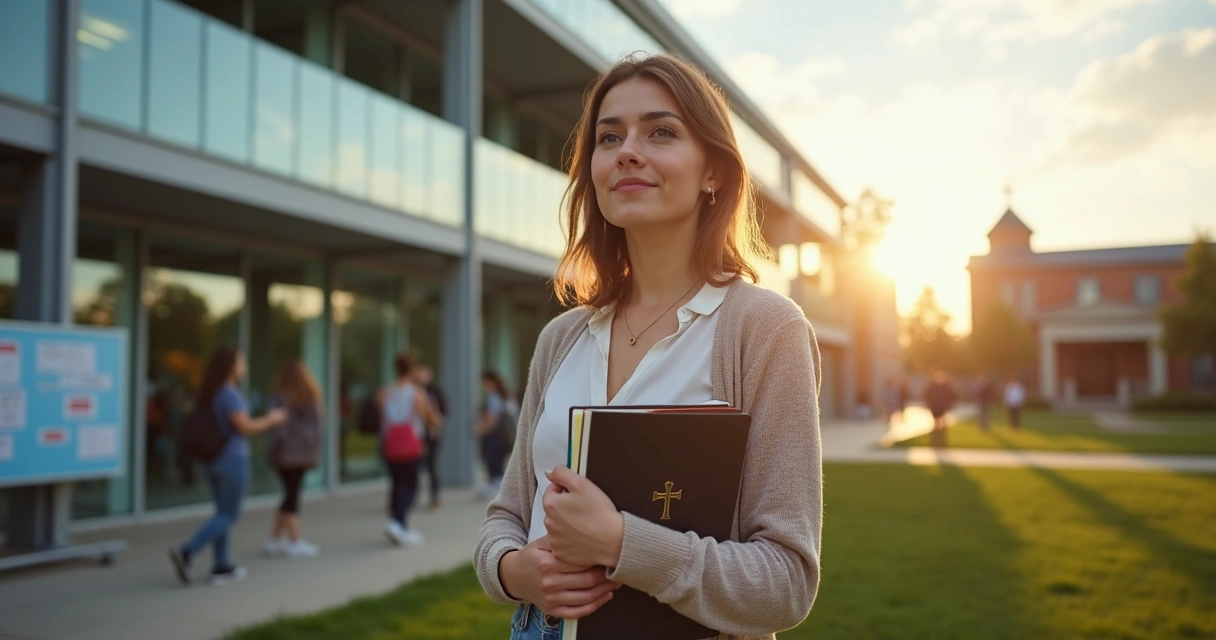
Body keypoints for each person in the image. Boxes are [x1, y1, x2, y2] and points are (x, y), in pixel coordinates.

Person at [473, 54, 822, 639]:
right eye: (609, 137)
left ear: (713, 171)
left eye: (661, 131)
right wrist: (512, 572)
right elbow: (506, 514)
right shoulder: (561, 337)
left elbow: (785, 583)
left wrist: (620, 543)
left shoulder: (765, 330)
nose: (628, 150)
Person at [168, 347, 286, 586]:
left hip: (211, 461)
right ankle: (187, 551)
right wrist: (272, 419)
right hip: (230, 460)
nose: (245, 365)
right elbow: (246, 427)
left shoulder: (210, 392)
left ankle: (221, 566)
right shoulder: (228, 393)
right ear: (231, 365)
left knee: (222, 512)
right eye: (242, 361)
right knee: (229, 514)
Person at [379, 353, 442, 547]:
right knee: (412, 487)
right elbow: (429, 418)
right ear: (412, 370)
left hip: (390, 443)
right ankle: (396, 522)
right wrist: (435, 421)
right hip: (411, 445)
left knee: (397, 484)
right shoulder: (417, 393)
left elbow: (382, 417)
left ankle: (400, 527)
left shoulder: (384, 392)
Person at [263, 359, 324, 559]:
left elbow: (276, 427)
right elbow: (318, 426)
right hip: (302, 453)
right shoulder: (311, 397)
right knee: (292, 495)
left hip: (284, 454)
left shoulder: (279, 397)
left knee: (290, 494)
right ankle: (294, 541)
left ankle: (275, 540)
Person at [475, 370, 515, 500]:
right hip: (503, 439)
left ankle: (500, 495)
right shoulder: (505, 397)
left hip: (494, 438)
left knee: (493, 466)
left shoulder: (493, 398)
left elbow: (491, 419)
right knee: (498, 466)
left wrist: (480, 429)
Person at [414, 364, 447, 510]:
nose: (422, 376)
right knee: (414, 467)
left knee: (432, 466)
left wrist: (435, 422)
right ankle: (412, 497)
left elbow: (444, 411)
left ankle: (434, 497)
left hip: (431, 435)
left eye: (425, 373)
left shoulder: (435, 392)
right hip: (415, 436)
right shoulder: (412, 391)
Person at [924, 370, 957, 448]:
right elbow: (926, 396)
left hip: (942, 408)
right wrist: (929, 404)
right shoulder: (932, 387)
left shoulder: (946, 387)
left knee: (943, 425)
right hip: (934, 408)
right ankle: (934, 442)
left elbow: (953, 396)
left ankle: (942, 442)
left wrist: (949, 404)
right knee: (935, 425)